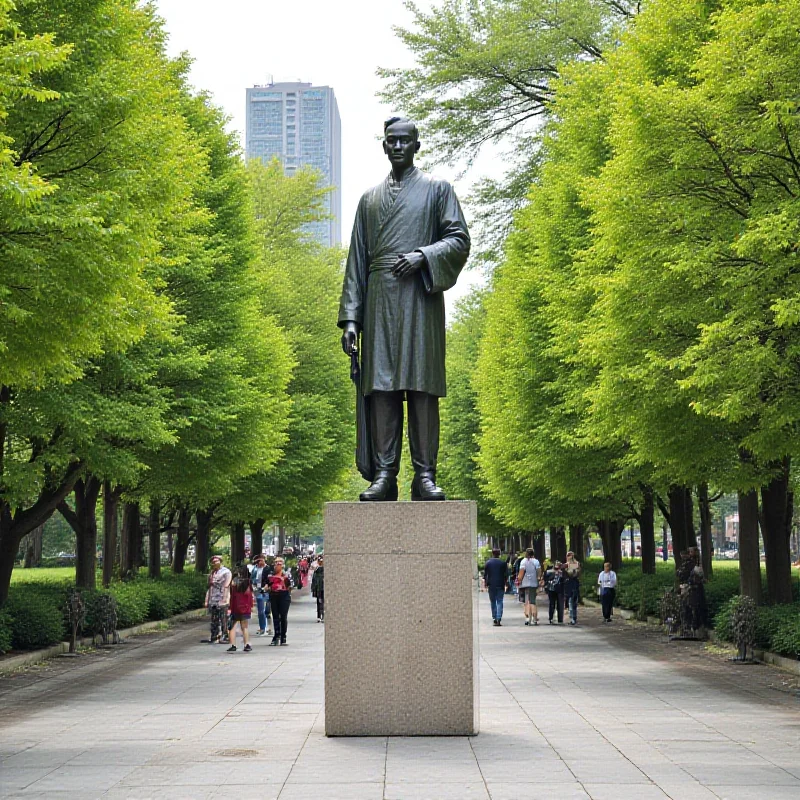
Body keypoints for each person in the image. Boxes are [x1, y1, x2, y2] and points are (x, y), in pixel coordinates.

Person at [339, 117, 471, 501]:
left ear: (417, 146)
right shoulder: (369, 201)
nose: (397, 147)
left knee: (421, 388)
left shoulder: (438, 190)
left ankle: (425, 474)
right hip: (379, 300)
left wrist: (423, 256)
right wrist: (351, 318)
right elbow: (356, 263)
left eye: (404, 141)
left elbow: (459, 239)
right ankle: (385, 474)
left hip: (420, 300)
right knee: (381, 387)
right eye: (391, 141)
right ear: (383, 147)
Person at [204, 555, 231, 644]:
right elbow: (209, 587)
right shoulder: (212, 573)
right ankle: (214, 636)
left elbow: (226, 585)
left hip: (222, 598)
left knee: (223, 618)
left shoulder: (226, 572)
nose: (214, 563)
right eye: (213, 562)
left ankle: (225, 636)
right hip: (213, 598)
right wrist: (207, 599)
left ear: (220, 561)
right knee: (214, 618)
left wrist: (224, 598)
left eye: (216, 561)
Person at [266, 556, 293, 646]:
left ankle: (283, 637)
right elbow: (267, 585)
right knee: (275, 616)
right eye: (275, 563)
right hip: (274, 596)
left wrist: (283, 584)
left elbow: (291, 585)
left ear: (282, 565)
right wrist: (267, 587)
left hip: (284, 596)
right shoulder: (270, 574)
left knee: (283, 617)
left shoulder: (287, 574)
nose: (276, 565)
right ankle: (276, 636)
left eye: (279, 563)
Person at [227, 565, 253, 653]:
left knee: (232, 627)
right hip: (245, 608)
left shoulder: (234, 583)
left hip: (235, 607)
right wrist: (250, 607)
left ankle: (233, 645)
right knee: (244, 627)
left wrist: (230, 608)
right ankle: (247, 644)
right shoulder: (248, 583)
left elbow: (232, 596)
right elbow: (250, 597)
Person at [516, 547, 541, 625]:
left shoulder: (523, 561)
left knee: (527, 601)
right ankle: (534, 618)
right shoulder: (536, 561)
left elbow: (521, 573)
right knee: (533, 600)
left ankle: (527, 618)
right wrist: (538, 579)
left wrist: (519, 581)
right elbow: (539, 572)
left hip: (525, 583)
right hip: (533, 583)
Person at [483, 548, 508, 626]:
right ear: (499, 554)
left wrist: (485, 584)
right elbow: (506, 575)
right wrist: (506, 583)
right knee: (500, 601)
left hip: (491, 585)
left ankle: (494, 617)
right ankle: (499, 618)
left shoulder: (488, 563)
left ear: (492, 554)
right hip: (500, 584)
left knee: (493, 601)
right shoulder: (503, 563)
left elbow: (485, 575)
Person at [250, 553, 273, 637]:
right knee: (260, 611)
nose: (259, 562)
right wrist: (253, 586)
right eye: (258, 561)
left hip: (266, 591)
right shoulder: (254, 569)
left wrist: (266, 586)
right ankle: (262, 628)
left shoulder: (268, 568)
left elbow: (270, 580)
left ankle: (269, 628)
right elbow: (252, 578)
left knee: (267, 611)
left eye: (261, 560)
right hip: (257, 590)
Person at [563, 550, 582, 626]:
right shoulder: (577, 564)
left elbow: (571, 574)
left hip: (570, 584)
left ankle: (572, 618)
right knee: (573, 601)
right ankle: (574, 617)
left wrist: (567, 569)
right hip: (574, 583)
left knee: (571, 601)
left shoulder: (569, 564)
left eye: (568, 556)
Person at [544, 560, 564, 625]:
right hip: (552, 589)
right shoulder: (549, 572)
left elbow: (564, 580)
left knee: (559, 605)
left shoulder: (561, 573)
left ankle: (559, 619)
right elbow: (546, 579)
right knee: (552, 604)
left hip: (559, 590)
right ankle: (551, 618)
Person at [311, 555, 325, 622]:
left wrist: (313, 589)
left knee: (319, 602)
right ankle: (321, 616)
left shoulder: (316, 571)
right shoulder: (321, 571)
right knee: (322, 602)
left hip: (319, 589)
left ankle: (320, 616)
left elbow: (313, 581)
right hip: (321, 589)